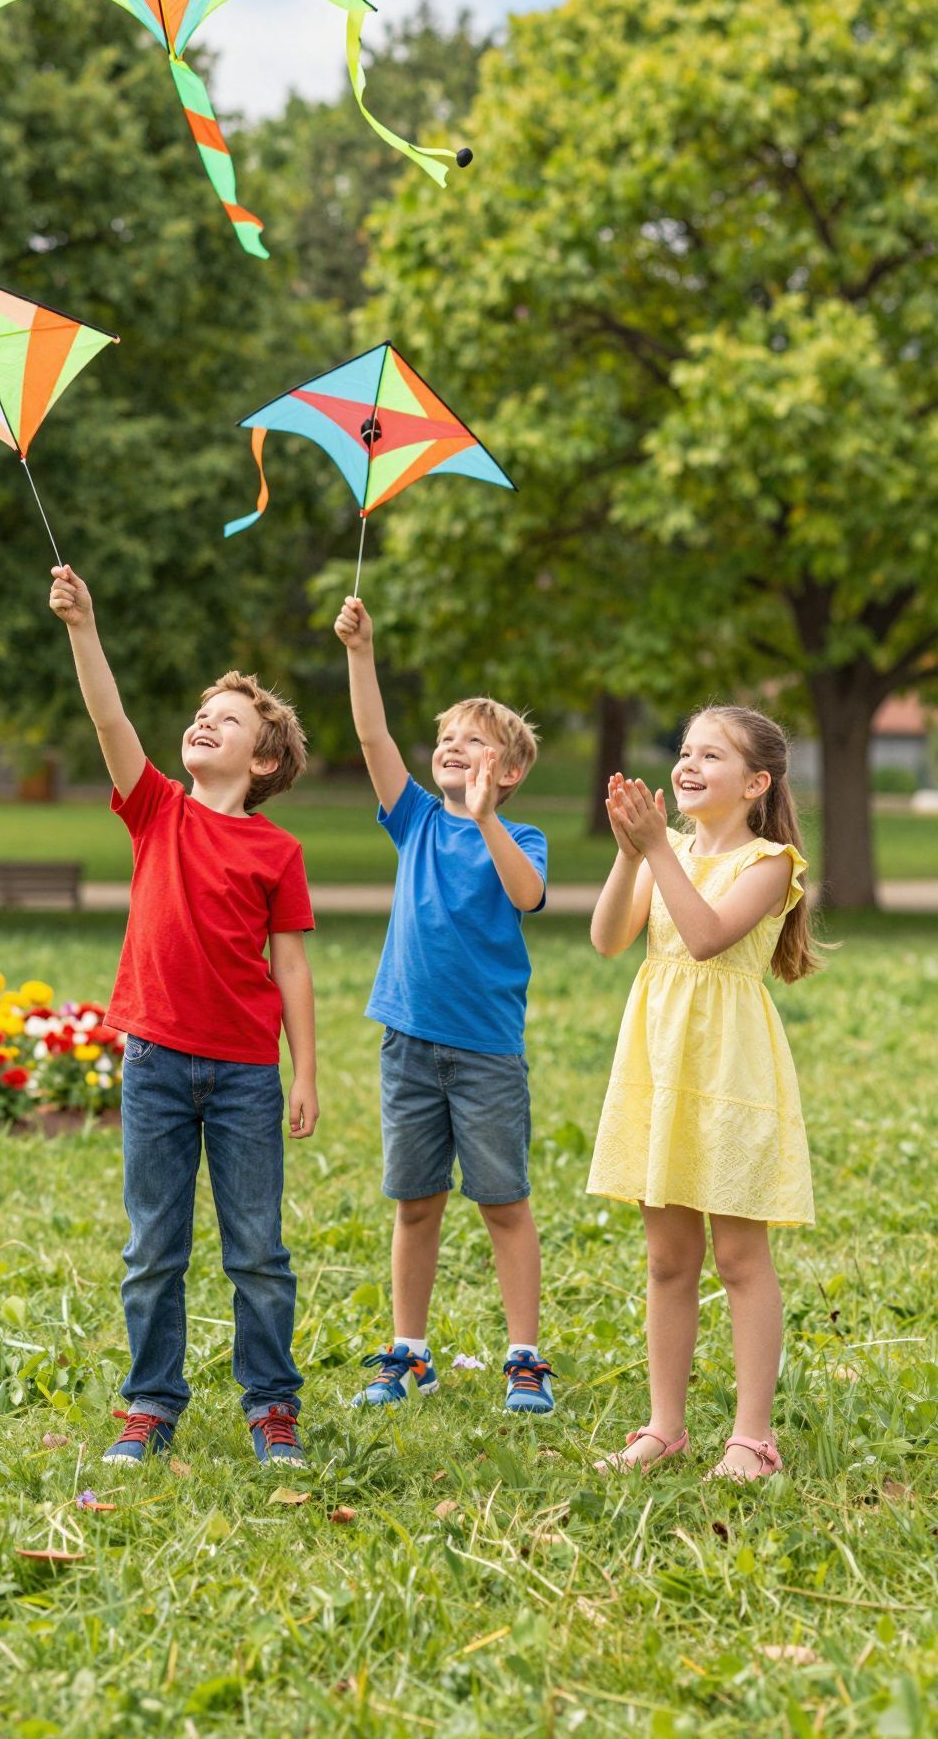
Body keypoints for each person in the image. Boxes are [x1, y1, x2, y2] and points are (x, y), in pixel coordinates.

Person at [49, 564, 319, 1470]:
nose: (205, 721)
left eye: (229, 719)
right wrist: (86, 626)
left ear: (266, 759)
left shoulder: (277, 850)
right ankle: (150, 1403)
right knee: (153, 1248)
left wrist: (306, 1071)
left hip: (245, 1072)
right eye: (202, 713)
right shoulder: (157, 808)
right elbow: (108, 720)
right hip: (157, 1061)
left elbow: (292, 966)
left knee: (258, 1254)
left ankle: (272, 1406)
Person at [333, 594, 553, 1416]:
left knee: (503, 1201)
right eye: (446, 739)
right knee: (415, 1200)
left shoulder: (520, 836)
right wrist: (363, 653)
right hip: (409, 1043)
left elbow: (527, 895)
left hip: (487, 1050)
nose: (453, 747)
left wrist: (490, 817)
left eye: (475, 741)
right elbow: (372, 737)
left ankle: (524, 1357)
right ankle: (409, 1351)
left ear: (512, 768)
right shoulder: (416, 820)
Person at [587, 706, 816, 1480]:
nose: (687, 765)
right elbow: (609, 938)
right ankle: (664, 1426)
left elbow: (709, 934)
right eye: (684, 751)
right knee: (666, 1258)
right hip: (661, 1066)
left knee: (742, 1257)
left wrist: (657, 852)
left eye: (710, 755)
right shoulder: (668, 850)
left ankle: (752, 1438)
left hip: (730, 1074)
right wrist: (632, 855)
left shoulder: (771, 862)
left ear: (755, 783)